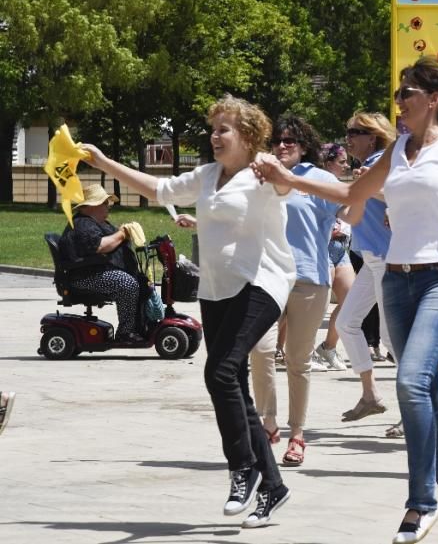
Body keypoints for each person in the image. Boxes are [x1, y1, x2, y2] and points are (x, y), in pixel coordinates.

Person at [254, 57, 438, 543]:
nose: (399, 102)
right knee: (425, 394)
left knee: (410, 382)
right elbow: (348, 190)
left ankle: (420, 502)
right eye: (399, 93)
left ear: (433, 100)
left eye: (407, 93)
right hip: (398, 283)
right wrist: (290, 176)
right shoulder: (399, 150)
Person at [81, 95, 293, 526]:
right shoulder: (208, 175)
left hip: (263, 283)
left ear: (248, 135)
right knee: (232, 383)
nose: (215, 136)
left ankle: (243, 469)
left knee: (219, 372)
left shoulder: (264, 171)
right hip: (218, 290)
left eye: (224, 129)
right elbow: (157, 189)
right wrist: (104, 162)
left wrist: (279, 171)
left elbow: (288, 185)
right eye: (212, 129)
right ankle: (272, 485)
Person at [249, 116, 354, 467]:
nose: (282, 145)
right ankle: (268, 421)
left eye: (290, 140)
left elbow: (351, 208)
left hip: (309, 278)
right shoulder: (261, 175)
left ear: (304, 145)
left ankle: (297, 434)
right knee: (261, 351)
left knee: (298, 361)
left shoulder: (320, 179)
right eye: (278, 139)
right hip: (266, 277)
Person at [331, 111, 397, 423]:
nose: (349, 138)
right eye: (348, 132)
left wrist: (369, 187)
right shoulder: (369, 167)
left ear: (373, 136)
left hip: (389, 258)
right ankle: (370, 395)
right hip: (372, 259)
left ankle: (415, 414)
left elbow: (401, 194)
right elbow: (351, 210)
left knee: (393, 339)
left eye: (355, 132)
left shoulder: (382, 161)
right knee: (346, 323)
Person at [58, 183, 145, 344]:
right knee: (127, 284)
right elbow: (100, 246)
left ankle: (140, 327)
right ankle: (125, 333)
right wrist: (122, 233)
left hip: (94, 273)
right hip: (85, 277)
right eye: (105, 203)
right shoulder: (83, 224)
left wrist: (123, 233)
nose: (108, 207)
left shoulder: (95, 223)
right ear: (93, 206)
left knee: (140, 282)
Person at [312, 144, 354, 372]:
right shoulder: (316, 184)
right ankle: (304, 351)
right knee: (318, 305)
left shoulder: (340, 186)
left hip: (341, 249)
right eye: (342, 162)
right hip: (323, 247)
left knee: (350, 300)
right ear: (328, 163)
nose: (346, 165)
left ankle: (328, 347)